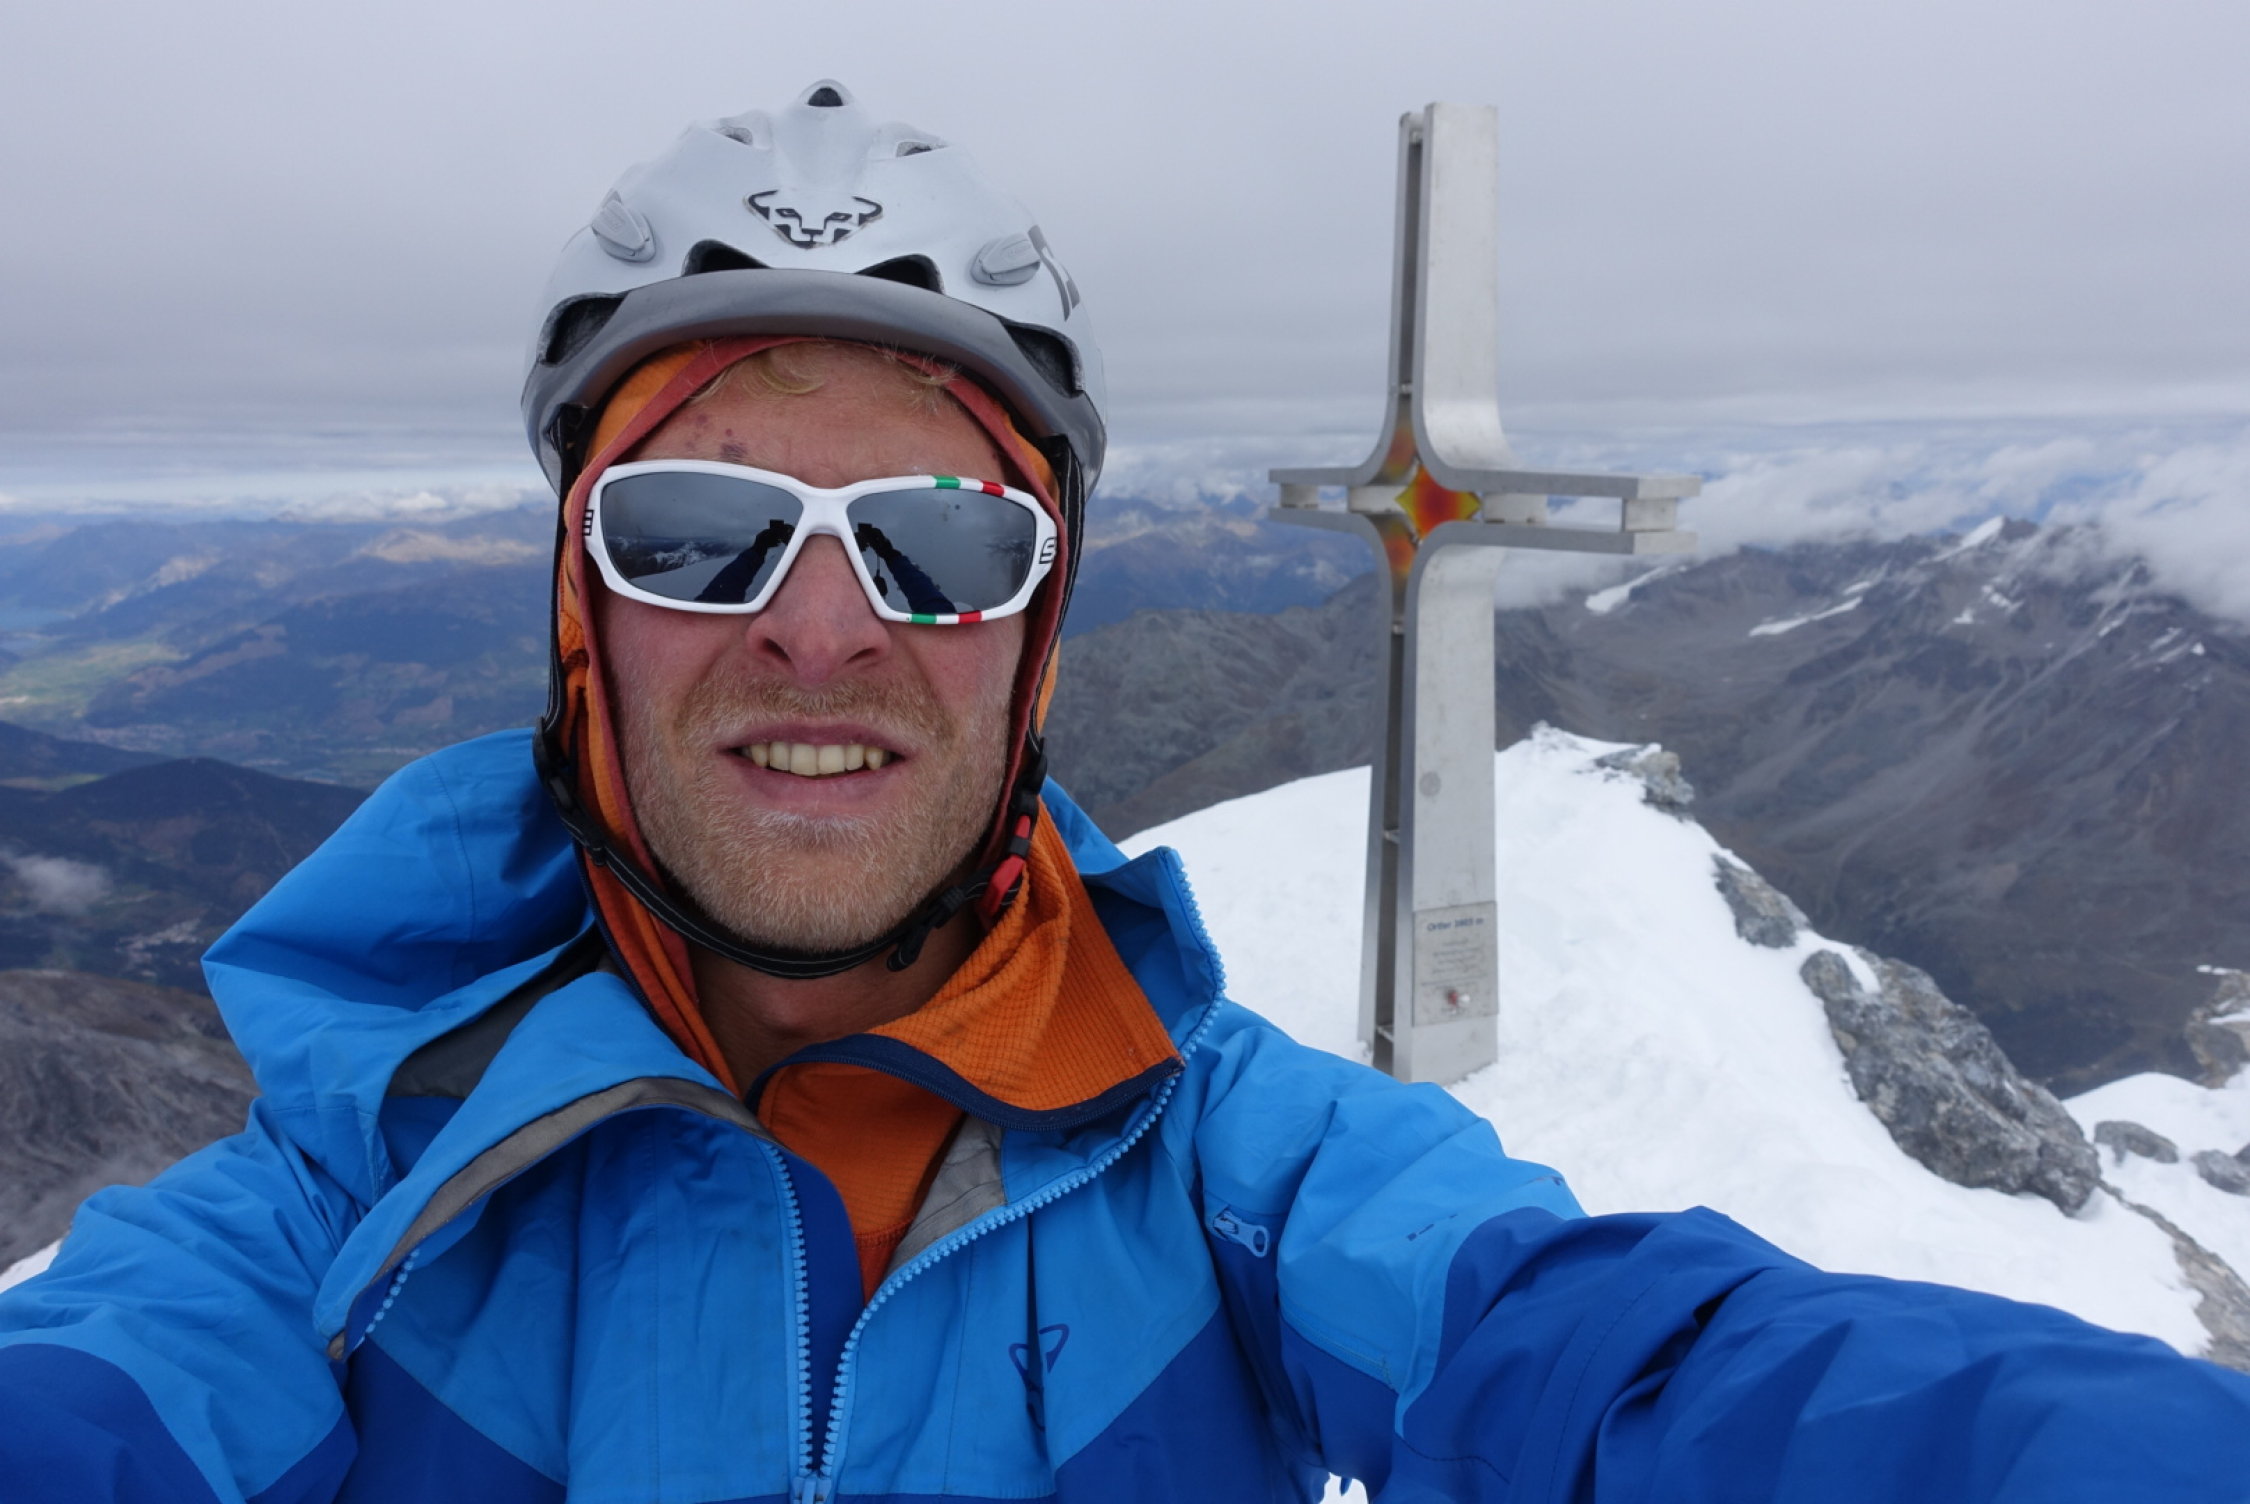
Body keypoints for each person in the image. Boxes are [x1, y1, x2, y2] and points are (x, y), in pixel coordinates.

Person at [2, 79, 2247, 1504]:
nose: (820, 627)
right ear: (582, 613)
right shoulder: (331, 1220)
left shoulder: (1249, 1178)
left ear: (1038, 627)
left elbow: (1636, 1372)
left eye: (940, 541)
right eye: (695, 529)